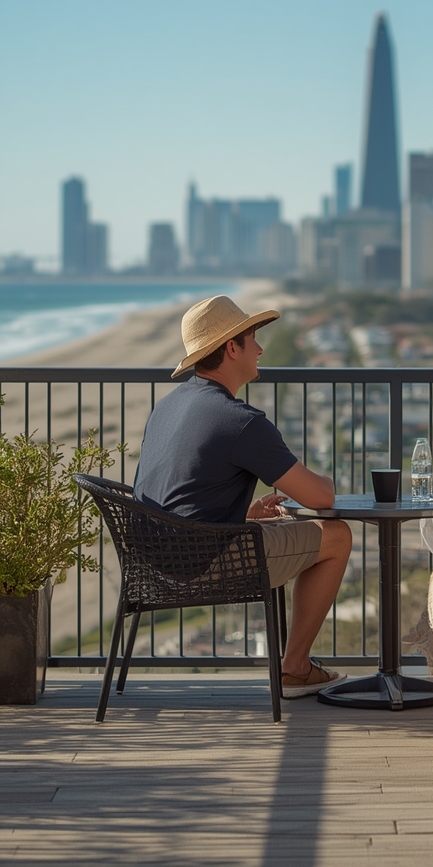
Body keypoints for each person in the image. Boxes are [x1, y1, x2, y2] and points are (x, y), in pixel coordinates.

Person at [134, 294, 353, 699]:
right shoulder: (240, 421)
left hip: (151, 562)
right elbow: (320, 496)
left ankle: (295, 667)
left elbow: (179, 494)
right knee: (337, 534)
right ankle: (295, 668)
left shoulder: (167, 407)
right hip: (202, 564)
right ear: (232, 348)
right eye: (252, 338)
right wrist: (321, 477)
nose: (260, 348)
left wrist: (245, 513)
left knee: (296, 527)